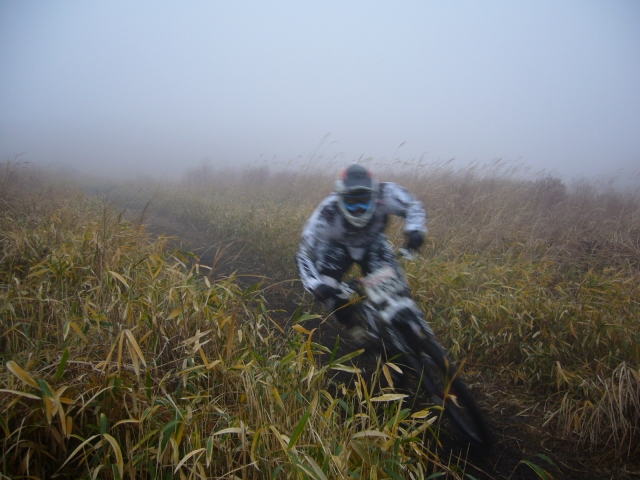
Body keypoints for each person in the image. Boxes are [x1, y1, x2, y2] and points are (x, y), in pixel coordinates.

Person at [296, 164, 427, 345]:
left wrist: (414, 230)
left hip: (372, 244)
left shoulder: (386, 193)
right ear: (339, 198)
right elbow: (305, 254)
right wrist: (315, 285)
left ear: (374, 196)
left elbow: (412, 205)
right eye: (351, 201)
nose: (358, 208)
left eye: (364, 200)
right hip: (337, 248)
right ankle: (354, 328)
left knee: (396, 297)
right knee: (330, 294)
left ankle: (405, 328)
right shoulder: (327, 214)